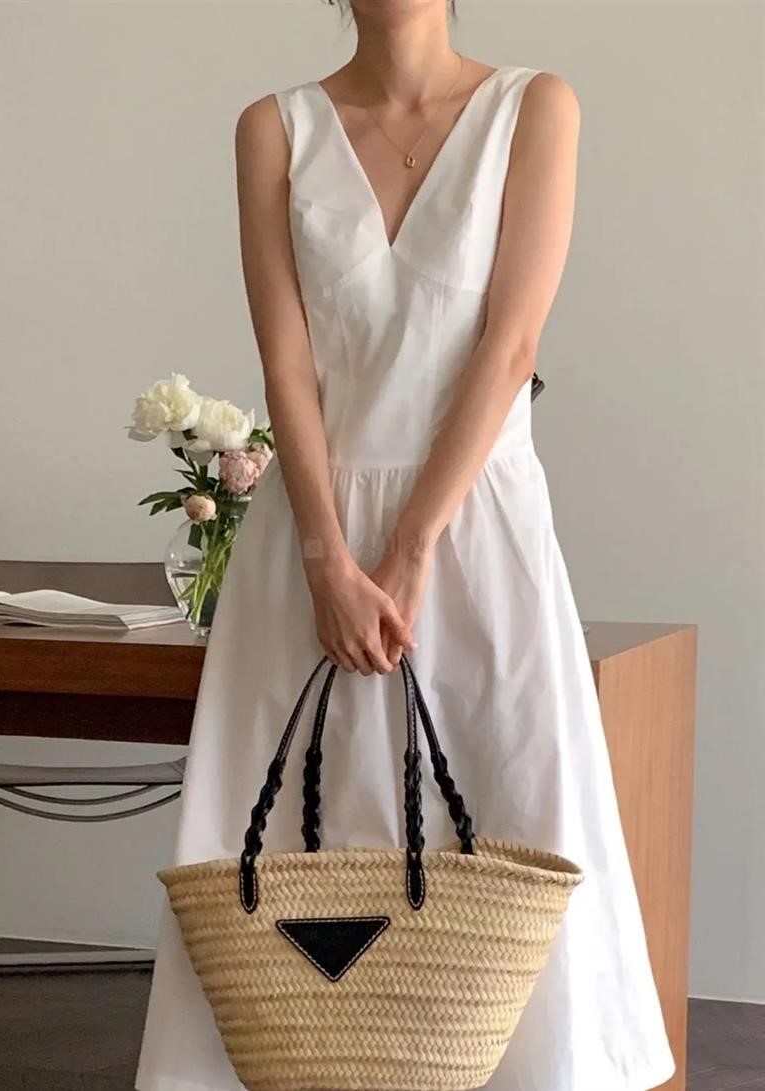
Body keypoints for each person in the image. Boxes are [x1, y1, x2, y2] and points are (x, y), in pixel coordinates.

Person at [135, 2, 677, 1089]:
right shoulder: (273, 127)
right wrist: (327, 559)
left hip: (477, 531)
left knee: (508, 820)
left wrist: (413, 546)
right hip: (311, 541)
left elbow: (511, 343)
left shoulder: (534, 108)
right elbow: (285, 360)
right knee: (296, 840)